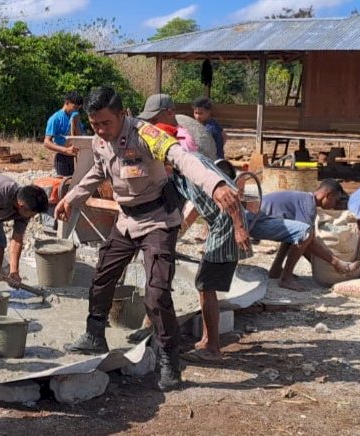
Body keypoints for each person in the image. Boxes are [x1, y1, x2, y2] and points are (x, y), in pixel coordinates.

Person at [54, 87, 241, 391]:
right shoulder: (102, 141)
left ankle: (169, 358)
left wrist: (216, 184)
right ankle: (94, 334)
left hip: (158, 221)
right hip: (126, 220)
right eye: (95, 124)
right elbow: (98, 171)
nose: (101, 130)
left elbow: (182, 158)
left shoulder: (148, 134)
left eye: (106, 123)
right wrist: (72, 198)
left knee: (155, 293)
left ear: (123, 114)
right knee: (102, 277)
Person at [138, 93, 251, 361]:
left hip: (226, 222)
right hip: (219, 223)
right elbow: (192, 206)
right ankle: (206, 340)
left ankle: (212, 348)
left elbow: (230, 193)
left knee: (204, 282)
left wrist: (238, 228)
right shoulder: (177, 174)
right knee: (205, 283)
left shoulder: (192, 163)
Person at [251, 178, 360, 291]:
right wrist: (336, 263)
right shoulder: (308, 206)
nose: (334, 205)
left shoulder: (305, 199)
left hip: (256, 220)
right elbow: (308, 241)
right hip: (255, 224)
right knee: (304, 234)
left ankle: (276, 270)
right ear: (328, 195)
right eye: (335, 200)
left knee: (294, 233)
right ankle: (285, 278)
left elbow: (301, 242)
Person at [44, 91, 84, 176]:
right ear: (67, 103)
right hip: (63, 158)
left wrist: (76, 123)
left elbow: (80, 137)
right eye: (75, 107)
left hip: (77, 157)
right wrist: (65, 150)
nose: (76, 110)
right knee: (64, 185)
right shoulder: (55, 118)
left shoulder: (76, 116)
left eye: (78, 109)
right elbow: (47, 142)